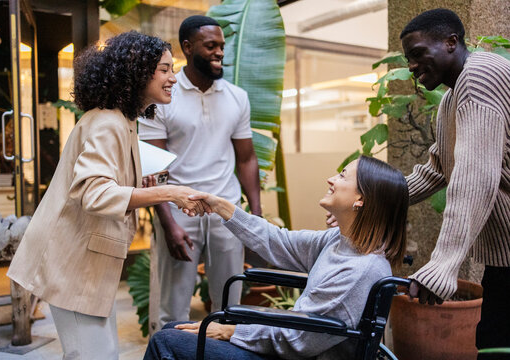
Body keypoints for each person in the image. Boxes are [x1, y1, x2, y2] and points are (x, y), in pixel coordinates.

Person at [7, 32, 210, 359]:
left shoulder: (123, 121)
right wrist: (169, 192)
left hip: (86, 266)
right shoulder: (108, 123)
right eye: (164, 69)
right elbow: (96, 194)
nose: (173, 78)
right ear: (136, 70)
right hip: (73, 266)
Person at [144, 156, 409, 360]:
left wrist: (233, 331)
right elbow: (278, 241)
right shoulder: (340, 242)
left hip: (298, 355)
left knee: (166, 342)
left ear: (360, 199)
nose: (331, 179)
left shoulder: (360, 270)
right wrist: (222, 207)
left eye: (342, 175)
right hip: (291, 345)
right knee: (176, 328)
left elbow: (302, 340)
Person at [138, 15, 262, 334]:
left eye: (221, 46)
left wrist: (255, 218)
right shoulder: (163, 96)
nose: (219, 52)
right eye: (211, 46)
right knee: (172, 306)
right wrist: (167, 223)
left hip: (226, 209)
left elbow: (246, 159)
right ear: (187, 47)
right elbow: (154, 168)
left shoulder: (238, 97)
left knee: (229, 306)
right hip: (180, 210)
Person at [398, 9, 510, 358]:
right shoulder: (451, 99)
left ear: (451, 42)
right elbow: (437, 170)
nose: (412, 66)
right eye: (408, 58)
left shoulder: (481, 75)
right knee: (493, 343)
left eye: (418, 54)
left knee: (495, 345)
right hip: (506, 259)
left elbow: (474, 175)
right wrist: (370, 195)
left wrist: (443, 264)